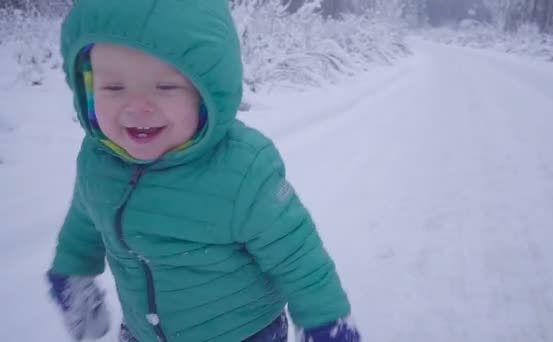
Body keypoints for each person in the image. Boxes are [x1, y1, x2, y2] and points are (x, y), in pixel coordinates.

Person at [45, 1, 361, 342]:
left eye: (165, 87)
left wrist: (326, 321)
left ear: (207, 92)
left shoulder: (243, 169)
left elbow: (297, 255)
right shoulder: (98, 160)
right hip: (142, 333)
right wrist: (72, 271)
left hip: (244, 333)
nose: (136, 108)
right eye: (113, 88)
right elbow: (85, 218)